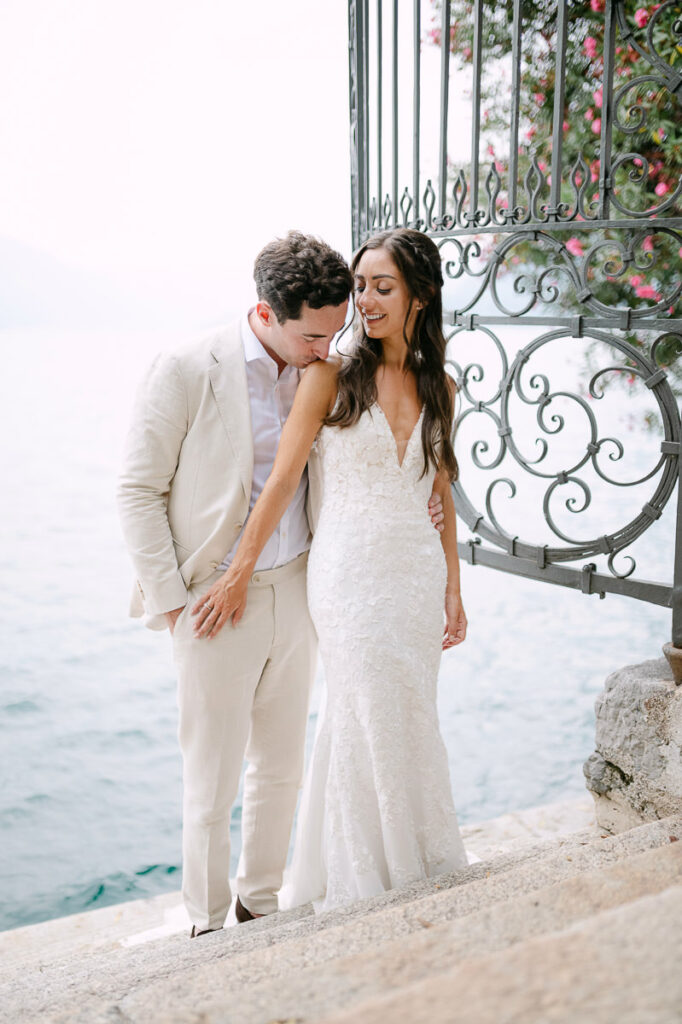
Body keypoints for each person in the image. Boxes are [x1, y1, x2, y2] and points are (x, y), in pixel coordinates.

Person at [117, 230, 445, 936]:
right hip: (213, 600)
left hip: (302, 588)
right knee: (211, 781)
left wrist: (419, 503)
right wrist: (175, 606)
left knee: (281, 769)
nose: (326, 347)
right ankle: (206, 922)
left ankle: (258, 905)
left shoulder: (328, 369)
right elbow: (138, 491)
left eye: (335, 331)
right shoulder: (186, 368)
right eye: (312, 336)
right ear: (266, 314)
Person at [192, 227, 469, 913]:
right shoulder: (330, 377)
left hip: (415, 577)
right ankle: (362, 878)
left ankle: (417, 856)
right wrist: (237, 571)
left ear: (419, 296)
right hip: (348, 576)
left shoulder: (443, 386)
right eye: (361, 286)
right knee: (361, 708)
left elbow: (440, 492)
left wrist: (455, 590)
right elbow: (284, 479)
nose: (365, 301)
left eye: (382, 287)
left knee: (410, 711)